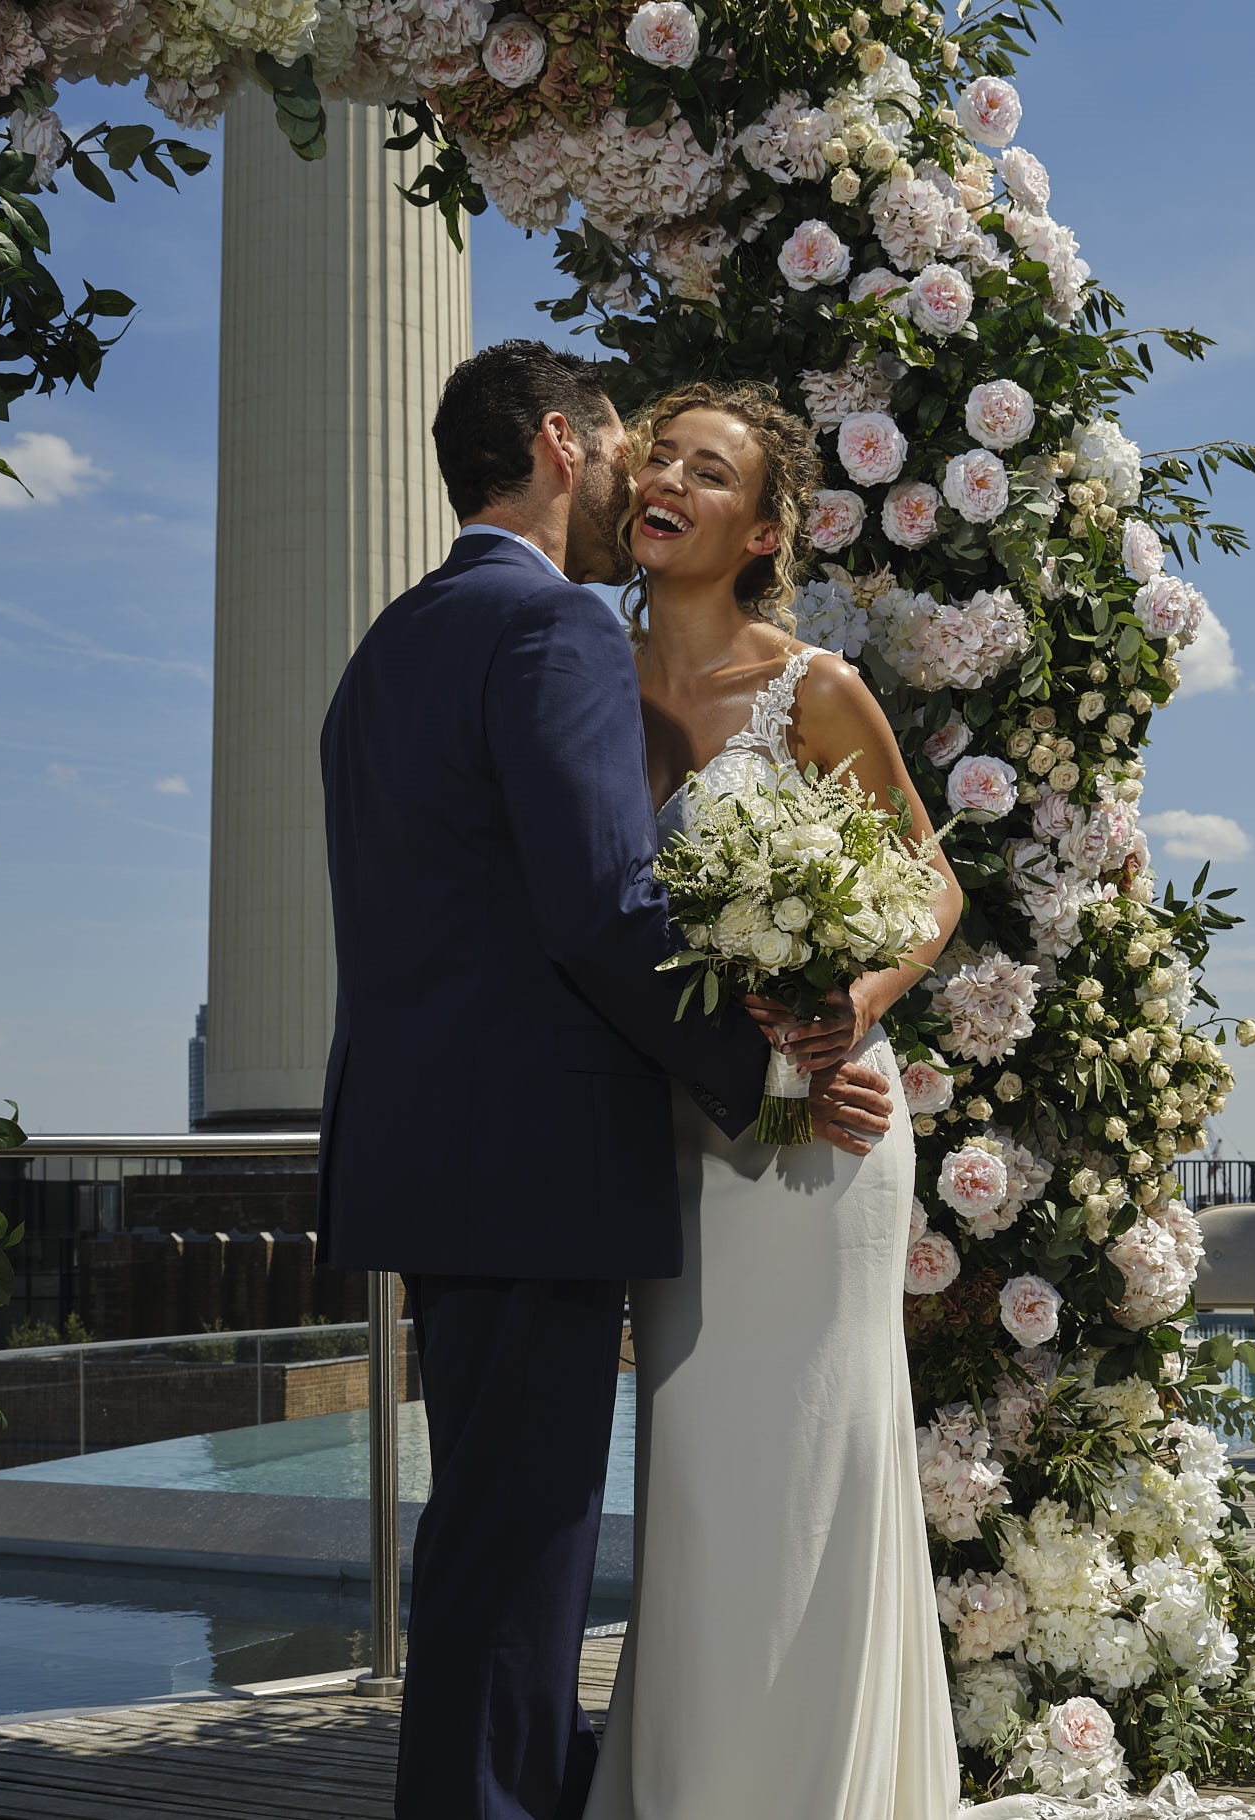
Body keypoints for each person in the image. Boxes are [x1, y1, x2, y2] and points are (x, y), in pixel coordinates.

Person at [315, 341, 896, 1820]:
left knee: (484, 1542)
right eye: (635, 445)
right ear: (564, 447)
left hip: (425, 1157)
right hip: (540, 1162)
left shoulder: (383, 650)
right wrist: (759, 1078)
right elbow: (593, 904)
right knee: (520, 1555)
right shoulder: (558, 630)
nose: (645, 475)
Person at [581, 381, 967, 1818]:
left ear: (762, 528)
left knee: (817, 1449)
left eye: (710, 468)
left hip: (821, 1128)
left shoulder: (814, 690)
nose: (670, 479)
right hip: (672, 1134)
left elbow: (933, 878)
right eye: (657, 460)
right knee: (700, 1468)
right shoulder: (578, 675)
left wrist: (846, 1013)